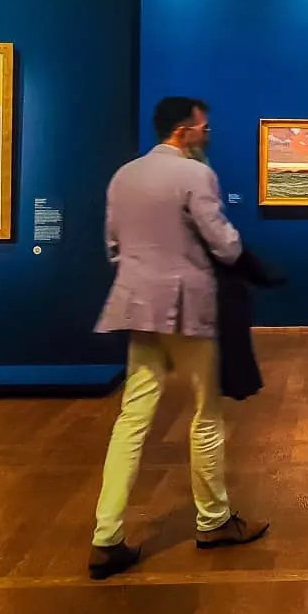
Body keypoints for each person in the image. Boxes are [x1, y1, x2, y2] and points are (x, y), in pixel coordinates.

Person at [88, 96, 270, 579]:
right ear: (183, 131)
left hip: (137, 306)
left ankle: (106, 537)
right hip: (189, 310)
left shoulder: (124, 175)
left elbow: (112, 245)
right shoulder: (195, 175)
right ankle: (213, 521)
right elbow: (224, 242)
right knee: (206, 415)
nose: (208, 134)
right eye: (204, 127)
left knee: (132, 419)